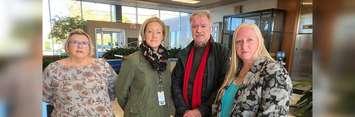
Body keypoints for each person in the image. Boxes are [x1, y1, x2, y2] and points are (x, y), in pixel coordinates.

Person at [212, 23, 293, 117]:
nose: (244, 46)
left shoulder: (275, 72)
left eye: (250, 40)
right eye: (239, 41)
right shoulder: (234, 70)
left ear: (260, 41)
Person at [42, 29, 117, 116]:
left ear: (89, 47)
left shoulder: (103, 66)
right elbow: (46, 96)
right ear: (67, 46)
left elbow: (114, 90)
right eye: (75, 42)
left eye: (84, 43)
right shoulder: (53, 69)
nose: (80, 46)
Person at [171, 10, 230, 117]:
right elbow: (175, 83)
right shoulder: (184, 53)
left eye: (203, 26)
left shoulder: (222, 52)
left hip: (208, 113)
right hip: (183, 113)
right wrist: (183, 110)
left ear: (210, 28)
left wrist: (201, 111)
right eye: (194, 26)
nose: (198, 30)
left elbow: (223, 85)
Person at [116, 17, 175, 117]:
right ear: (144, 35)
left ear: (163, 36)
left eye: (158, 32)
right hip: (140, 114)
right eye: (149, 31)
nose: (154, 36)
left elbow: (167, 90)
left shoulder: (166, 61)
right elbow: (121, 93)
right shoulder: (132, 60)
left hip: (162, 113)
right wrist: (134, 109)